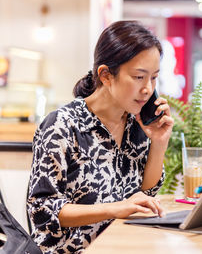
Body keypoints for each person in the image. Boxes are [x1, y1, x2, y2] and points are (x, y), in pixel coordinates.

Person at [27, 21, 174, 253]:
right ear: (106, 75)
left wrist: (158, 142)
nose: (148, 89)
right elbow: (43, 211)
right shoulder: (62, 125)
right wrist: (115, 208)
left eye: (154, 78)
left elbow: (144, 197)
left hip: (123, 247)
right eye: (139, 77)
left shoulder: (136, 123)